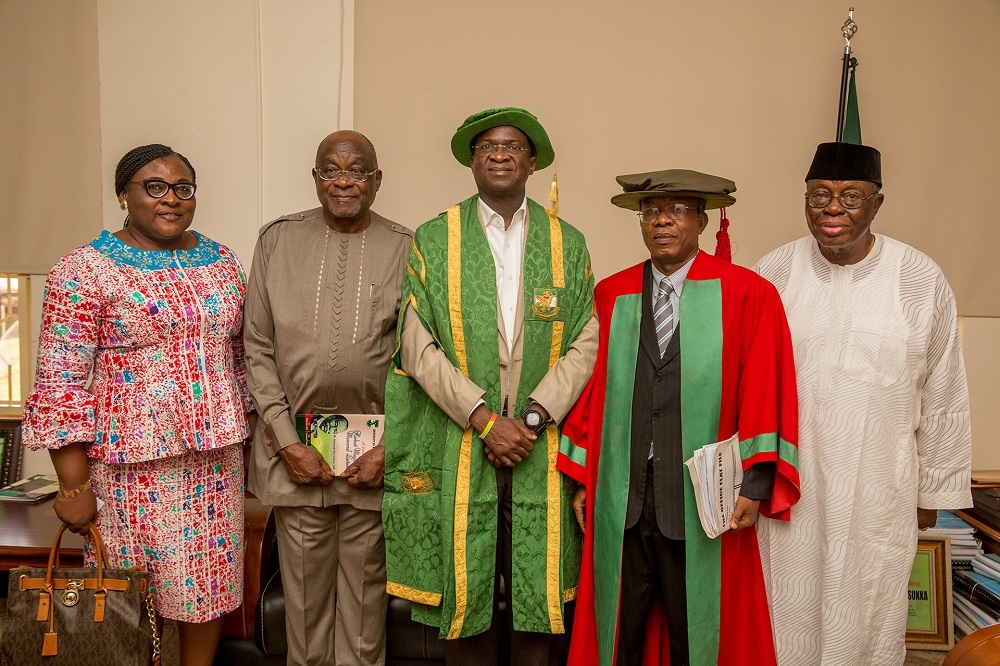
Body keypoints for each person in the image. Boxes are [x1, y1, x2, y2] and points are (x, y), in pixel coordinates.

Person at [557, 170, 802, 666]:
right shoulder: (613, 294)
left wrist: (754, 485)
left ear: (702, 220)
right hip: (623, 498)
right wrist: (584, 481)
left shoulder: (747, 293)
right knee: (618, 635)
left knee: (698, 637)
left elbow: (763, 390)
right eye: (650, 212)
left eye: (676, 211)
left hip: (702, 501)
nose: (662, 221)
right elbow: (591, 393)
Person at [22, 143, 254, 666]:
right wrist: (74, 486)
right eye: (154, 187)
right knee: (129, 598)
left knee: (207, 593)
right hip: (130, 474)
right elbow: (60, 383)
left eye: (182, 188)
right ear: (123, 194)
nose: (170, 199)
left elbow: (241, 357)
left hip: (215, 466)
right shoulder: (83, 270)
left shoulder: (220, 261)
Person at [382, 107, 598, 666]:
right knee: (466, 586)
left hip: (538, 444)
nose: (499, 154)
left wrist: (531, 419)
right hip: (461, 441)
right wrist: (482, 418)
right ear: (471, 161)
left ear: (531, 162)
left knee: (537, 591)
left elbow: (586, 340)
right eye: (487, 147)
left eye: (512, 146)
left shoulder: (566, 243)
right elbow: (414, 341)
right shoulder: (435, 237)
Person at [755, 142, 973, 665]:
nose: (833, 209)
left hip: (879, 486)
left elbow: (944, 389)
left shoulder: (920, 278)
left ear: (878, 203)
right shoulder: (773, 272)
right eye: (819, 196)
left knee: (870, 610)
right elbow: (744, 381)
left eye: (851, 196)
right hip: (790, 484)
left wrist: (933, 489)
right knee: (784, 612)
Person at [243, 129, 411, 665]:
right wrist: (287, 442)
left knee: (364, 616)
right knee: (306, 616)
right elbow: (257, 347)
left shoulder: (408, 247)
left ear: (377, 180)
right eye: (330, 170)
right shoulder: (276, 241)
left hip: (373, 460)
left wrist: (393, 449)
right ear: (316, 179)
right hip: (296, 459)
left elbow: (422, 360)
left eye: (357, 170)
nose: (344, 181)